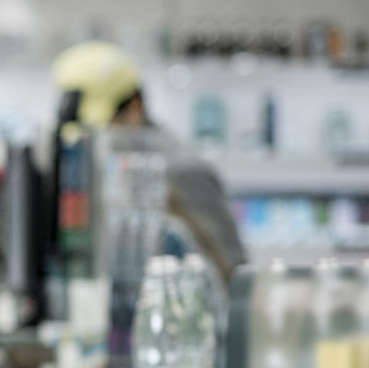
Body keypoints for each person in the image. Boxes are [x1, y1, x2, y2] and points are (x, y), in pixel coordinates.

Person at [53, 41, 248, 280]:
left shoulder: (183, 171)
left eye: (103, 126)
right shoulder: (99, 174)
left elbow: (234, 273)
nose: (97, 143)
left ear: (134, 108)